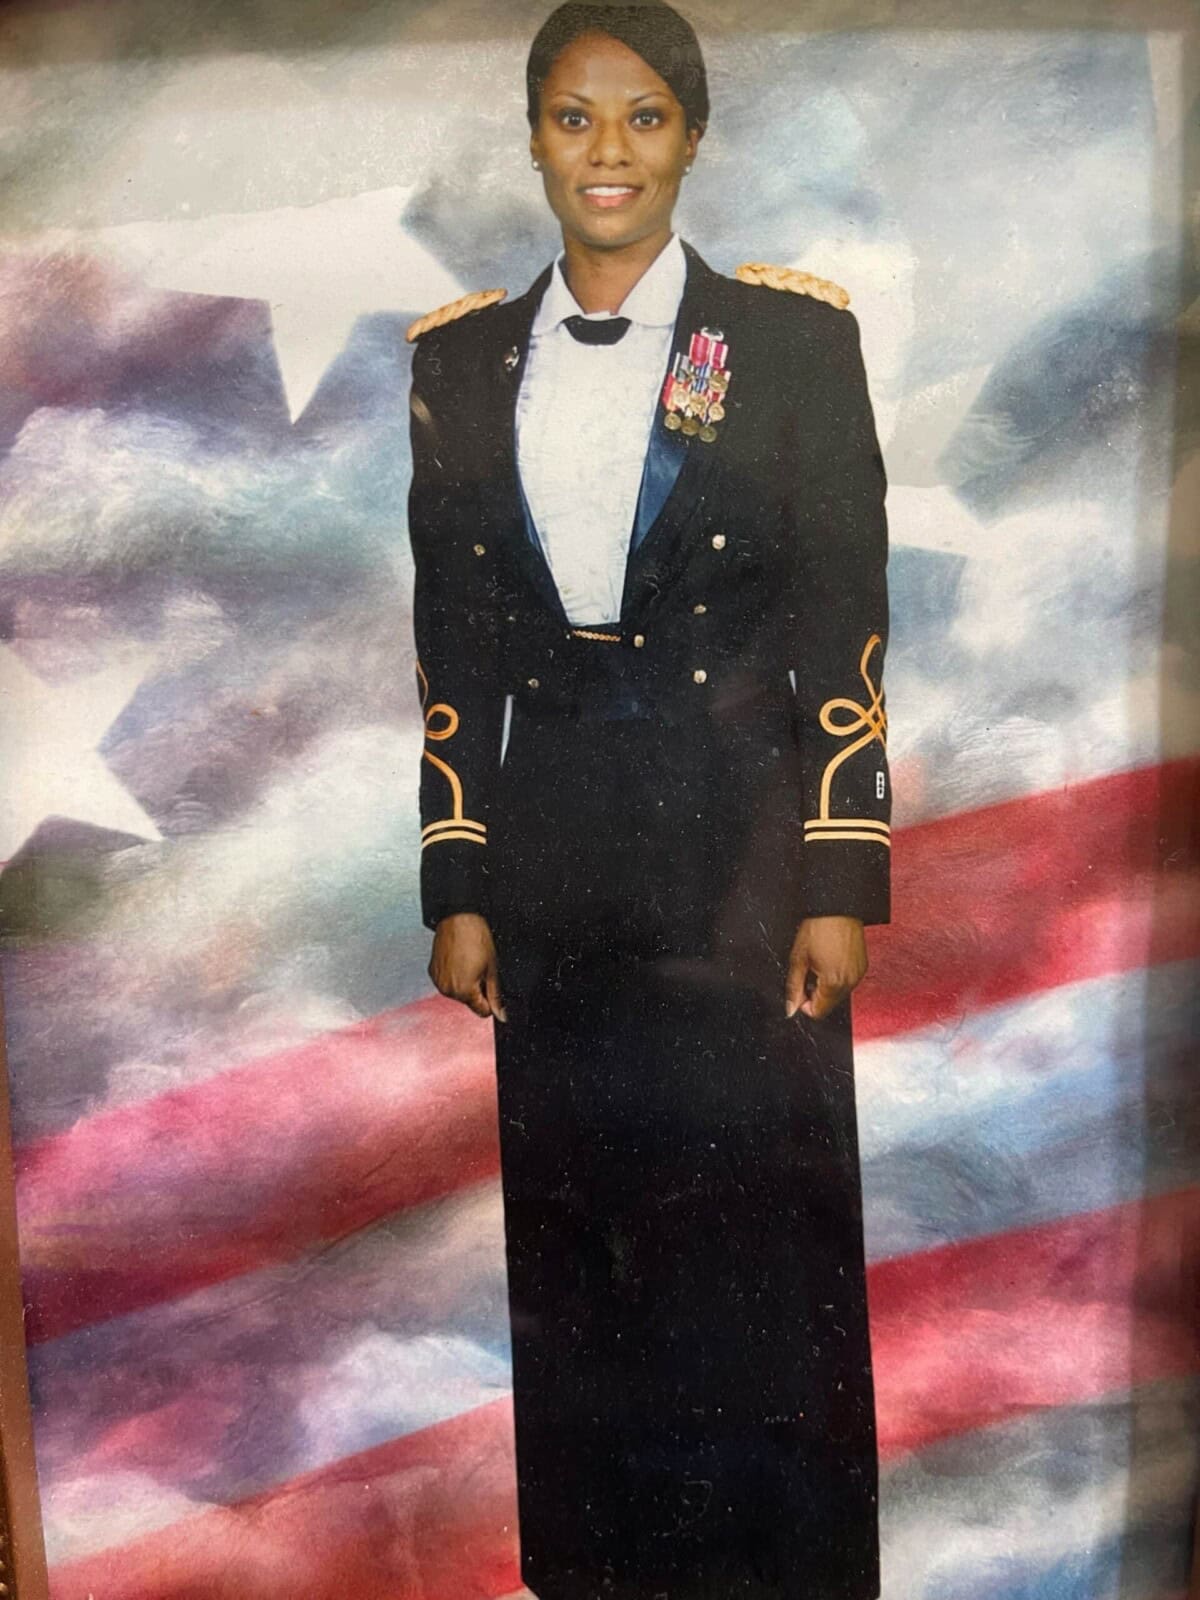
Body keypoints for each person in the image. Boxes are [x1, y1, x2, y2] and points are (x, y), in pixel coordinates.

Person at [405, 4, 890, 1596]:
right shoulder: (464, 361)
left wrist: (838, 872)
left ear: (690, 136)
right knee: (586, 1239)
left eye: (641, 119)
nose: (605, 152)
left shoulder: (790, 344)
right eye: (572, 118)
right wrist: (457, 874)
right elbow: (453, 636)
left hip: (744, 850)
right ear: (534, 136)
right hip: (553, 855)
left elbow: (845, 609)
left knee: (762, 1233)